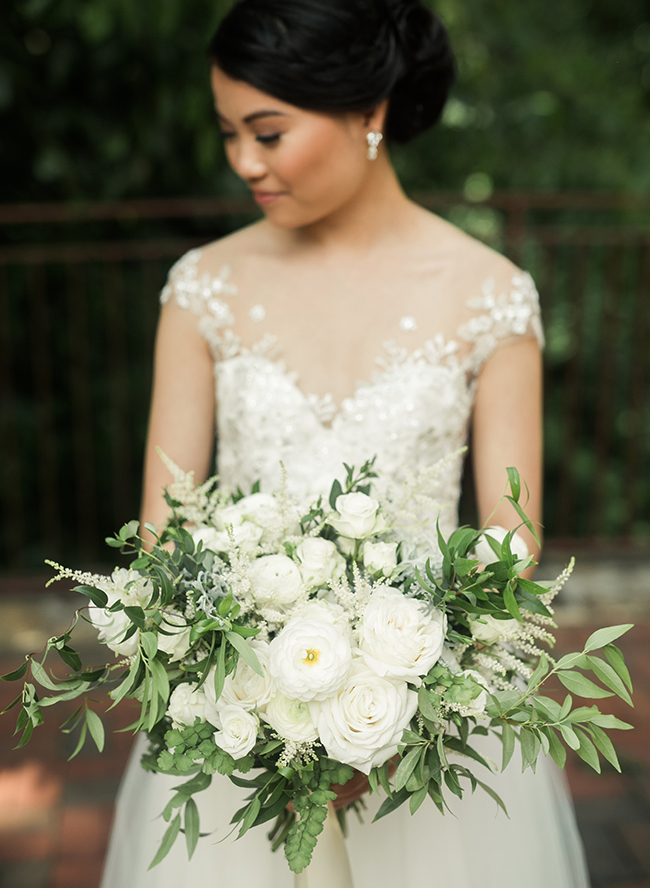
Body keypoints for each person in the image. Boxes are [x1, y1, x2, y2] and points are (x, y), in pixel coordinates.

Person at [101, 0, 589, 885]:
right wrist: (261, 700)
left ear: (369, 113)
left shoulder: (491, 293)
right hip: (241, 727)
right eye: (228, 134)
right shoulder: (202, 287)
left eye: (269, 133)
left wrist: (397, 697)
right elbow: (161, 536)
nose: (245, 162)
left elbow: (512, 539)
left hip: (432, 731)